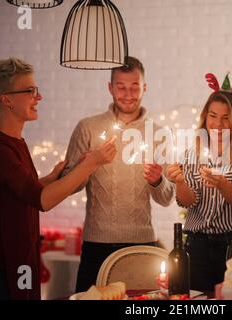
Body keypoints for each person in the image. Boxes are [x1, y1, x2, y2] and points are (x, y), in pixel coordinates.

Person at [0, 57, 117, 300]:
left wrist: (52, 177)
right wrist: (91, 164)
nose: (39, 97)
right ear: (7, 99)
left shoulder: (14, 144)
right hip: (0, 274)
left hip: (16, 263)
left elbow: (23, 194)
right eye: (30, 90)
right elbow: (42, 201)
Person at [62, 56, 174, 293]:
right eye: (121, 87)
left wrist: (157, 180)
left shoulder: (159, 134)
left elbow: (166, 198)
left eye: (135, 87)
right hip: (96, 243)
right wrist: (88, 165)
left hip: (141, 243)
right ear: (110, 87)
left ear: (144, 87)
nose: (128, 94)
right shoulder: (88, 128)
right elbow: (68, 186)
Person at [167, 74, 232, 292]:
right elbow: (188, 202)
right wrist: (180, 182)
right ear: (205, 118)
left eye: (226, 117)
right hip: (197, 247)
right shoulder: (192, 155)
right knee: (199, 301)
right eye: (213, 116)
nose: (218, 124)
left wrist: (222, 184)